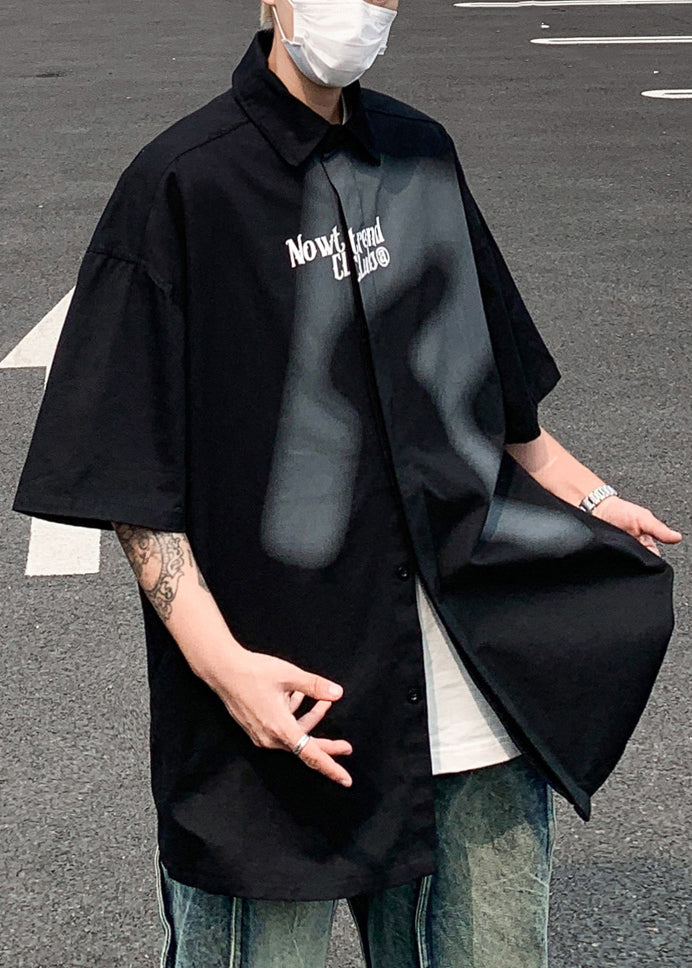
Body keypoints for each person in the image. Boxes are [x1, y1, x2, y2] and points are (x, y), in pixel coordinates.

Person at [12, 1, 681, 966]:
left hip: (473, 696)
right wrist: (225, 668)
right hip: (284, 701)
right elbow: (130, 481)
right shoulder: (184, 183)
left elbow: (500, 411)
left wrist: (593, 501)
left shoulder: (420, 156)